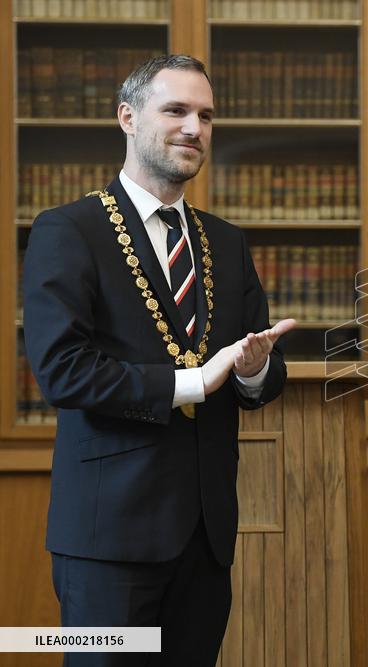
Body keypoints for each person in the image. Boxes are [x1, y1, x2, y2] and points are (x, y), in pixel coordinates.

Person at [23, 54, 293, 666]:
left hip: (205, 536)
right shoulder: (68, 230)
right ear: (127, 117)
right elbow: (62, 371)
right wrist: (198, 380)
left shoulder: (226, 240)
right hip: (107, 541)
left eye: (205, 115)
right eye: (175, 111)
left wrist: (251, 369)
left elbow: (261, 369)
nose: (194, 128)